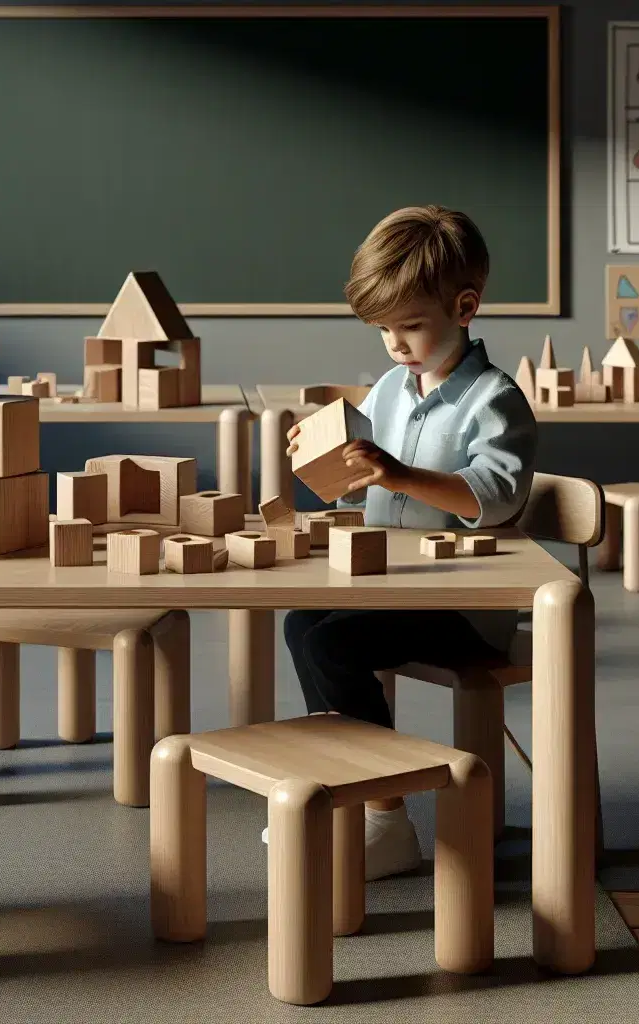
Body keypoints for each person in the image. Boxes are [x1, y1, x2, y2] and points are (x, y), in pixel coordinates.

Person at [271, 205, 538, 880]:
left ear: (465, 306)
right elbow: (369, 490)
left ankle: (386, 816)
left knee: (334, 644)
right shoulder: (392, 387)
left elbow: (495, 496)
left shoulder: (495, 400)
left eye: (409, 326)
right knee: (303, 625)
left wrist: (397, 472)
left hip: (464, 605)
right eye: (384, 329)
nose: (394, 343)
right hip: (396, 585)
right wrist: (329, 459)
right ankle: (349, 792)